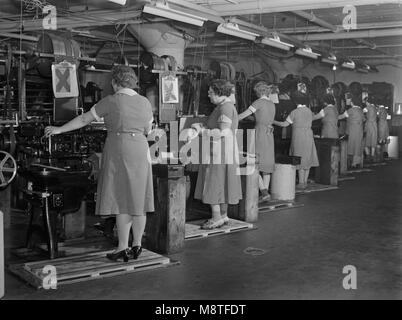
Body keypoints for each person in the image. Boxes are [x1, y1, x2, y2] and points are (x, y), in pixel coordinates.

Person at [45, 65, 154, 262]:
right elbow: (148, 129)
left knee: (123, 201)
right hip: (141, 148)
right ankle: (137, 245)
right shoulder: (145, 102)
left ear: (115, 82)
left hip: (119, 148)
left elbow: (84, 119)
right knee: (139, 200)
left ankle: (122, 247)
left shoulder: (112, 100)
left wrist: (59, 130)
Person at [188, 79, 242, 230]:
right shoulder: (224, 106)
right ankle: (223, 215)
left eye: (211, 92)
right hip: (225, 150)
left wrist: (201, 131)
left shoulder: (225, 108)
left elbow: (223, 132)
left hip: (219, 151)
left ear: (219, 93)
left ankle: (216, 217)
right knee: (222, 182)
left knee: (213, 181)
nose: (208, 95)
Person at [238, 81, 276, 201]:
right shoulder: (272, 104)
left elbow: (244, 114)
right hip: (269, 134)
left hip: (259, 133)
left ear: (259, 92)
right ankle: (266, 193)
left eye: (256, 92)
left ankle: (264, 192)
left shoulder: (258, 102)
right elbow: (262, 117)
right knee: (267, 163)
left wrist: (233, 118)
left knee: (254, 162)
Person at [273, 91, 319, 189]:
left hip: (298, 136)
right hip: (309, 135)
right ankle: (305, 182)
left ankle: (301, 183)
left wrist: (273, 121)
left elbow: (284, 124)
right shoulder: (308, 111)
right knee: (307, 157)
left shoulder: (294, 112)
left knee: (299, 157)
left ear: (295, 101)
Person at [338, 96, 364, 168]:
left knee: (351, 145)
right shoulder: (360, 110)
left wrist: (334, 116)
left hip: (353, 129)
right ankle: (356, 162)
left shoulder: (351, 110)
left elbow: (342, 116)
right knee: (357, 145)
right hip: (360, 129)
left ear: (352, 103)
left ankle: (351, 163)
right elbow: (364, 119)